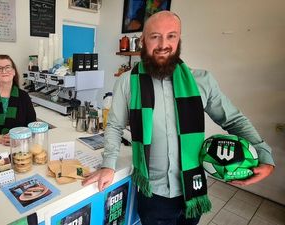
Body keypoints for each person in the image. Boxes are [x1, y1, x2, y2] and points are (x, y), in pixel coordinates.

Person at [82, 11, 275, 225]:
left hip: (193, 190)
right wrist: (108, 163)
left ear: (179, 40)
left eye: (171, 36)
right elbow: (115, 125)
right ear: (143, 41)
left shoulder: (202, 81)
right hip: (153, 194)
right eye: (155, 36)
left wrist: (264, 154)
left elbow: (234, 120)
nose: (163, 44)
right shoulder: (127, 82)